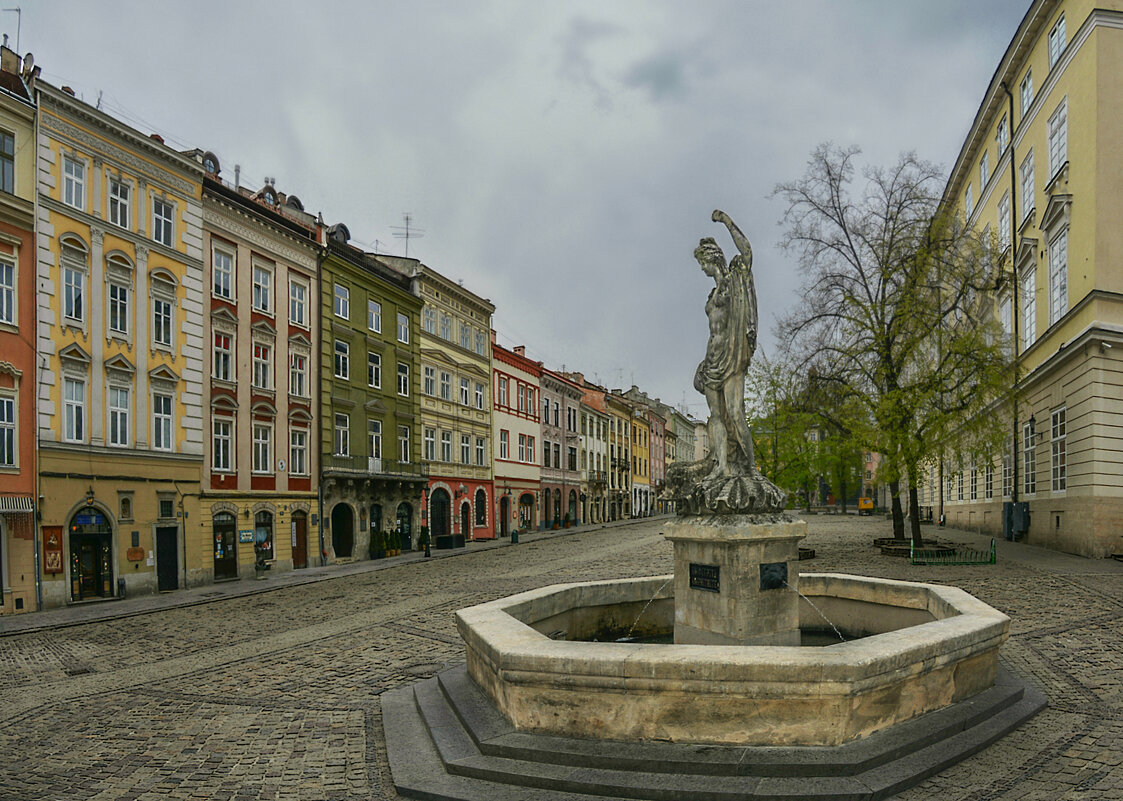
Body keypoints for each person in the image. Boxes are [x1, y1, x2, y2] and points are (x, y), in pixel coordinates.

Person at [693, 209, 758, 481]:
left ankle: (751, 470)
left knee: (735, 412)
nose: (702, 269)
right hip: (712, 359)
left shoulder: (735, 280)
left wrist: (727, 222)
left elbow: (747, 253)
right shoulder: (713, 294)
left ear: (712, 259)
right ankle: (721, 465)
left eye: (703, 263)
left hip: (732, 355)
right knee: (715, 416)